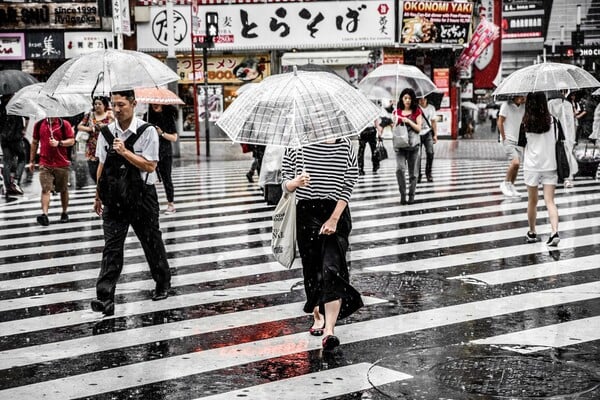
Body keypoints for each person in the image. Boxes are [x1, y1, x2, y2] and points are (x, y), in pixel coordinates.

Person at [91, 90, 172, 316]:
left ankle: (162, 282)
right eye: (114, 105)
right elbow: (102, 165)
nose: (117, 110)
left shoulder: (147, 132)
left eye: (121, 105)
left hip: (142, 197)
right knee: (112, 248)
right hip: (115, 199)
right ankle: (105, 297)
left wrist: (125, 152)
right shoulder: (106, 133)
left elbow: (150, 166)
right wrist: (98, 195)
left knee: (151, 242)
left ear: (133, 104)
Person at [281, 137, 363, 351]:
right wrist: (295, 183)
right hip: (306, 214)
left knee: (332, 269)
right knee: (313, 270)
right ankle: (317, 314)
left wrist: (334, 219)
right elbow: (285, 183)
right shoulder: (296, 145)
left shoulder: (345, 146)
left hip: (336, 212)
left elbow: (348, 184)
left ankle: (330, 331)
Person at [521, 92, 560, 247]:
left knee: (532, 201)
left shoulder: (525, 123)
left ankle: (532, 232)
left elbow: (521, 145)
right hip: (550, 164)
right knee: (550, 201)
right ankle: (554, 231)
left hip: (531, 166)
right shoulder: (554, 122)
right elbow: (559, 141)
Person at [28, 117, 75, 225]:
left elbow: (71, 140)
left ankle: (64, 212)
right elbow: (34, 142)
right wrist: (31, 160)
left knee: (63, 189)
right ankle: (45, 215)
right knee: (45, 189)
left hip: (61, 163)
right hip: (45, 163)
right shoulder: (39, 124)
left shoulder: (64, 124)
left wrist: (59, 143)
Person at [145, 103, 178, 214]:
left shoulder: (168, 116)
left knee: (166, 178)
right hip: (150, 152)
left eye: (157, 103)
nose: (155, 105)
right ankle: (151, 204)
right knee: (148, 178)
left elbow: (174, 138)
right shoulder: (147, 116)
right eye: (152, 103)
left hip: (164, 152)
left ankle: (171, 204)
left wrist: (161, 133)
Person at [393, 88, 422, 205]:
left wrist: (409, 121)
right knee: (400, 170)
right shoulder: (397, 111)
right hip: (400, 146)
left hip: (413, 146)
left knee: (413, 173)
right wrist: (395, 120)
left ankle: (411, 195)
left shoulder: (417, 112)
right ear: (401, 99)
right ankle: (403, 194)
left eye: (410, 98)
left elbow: (419, 128)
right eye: (405, 98)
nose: (407, 100)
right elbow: (393, 128)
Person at [77, 96, 114, 183]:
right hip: (92, 149)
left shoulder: (110, 114)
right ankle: (99, 189)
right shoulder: (90, 115)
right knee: (94, 172)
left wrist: (109, 122)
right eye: (95, 104)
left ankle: (105, 192)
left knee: (106, 174)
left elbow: (117, 126)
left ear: (104, 105)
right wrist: (90, 129)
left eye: (99, 104)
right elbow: (80, 126)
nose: (97, 106)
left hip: (106, 147)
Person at [548, 90, 578, 188]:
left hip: (564, 134)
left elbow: (570, 123)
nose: (563, 93)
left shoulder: (567, 104)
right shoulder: (552, 103)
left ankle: (566, 177)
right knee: (558, 154)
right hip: (557, 133)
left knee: (564, 154)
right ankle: (562, 177)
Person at [497, 95, 526, 197]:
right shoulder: (506, 105)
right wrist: (504, 138)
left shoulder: (523, 106)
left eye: (524, 96)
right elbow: (500, 122)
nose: (522, 98)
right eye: (520, 96)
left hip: (518, 139)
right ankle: (505, 184)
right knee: (515, 162)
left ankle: (512, 186)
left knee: (517, 166)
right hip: (508, 139)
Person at [1, 94, 26, 196]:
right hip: (15, 138)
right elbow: (25, 118)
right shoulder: (16, 106)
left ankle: (8, 186)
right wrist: (22, 130)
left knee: (7, 161)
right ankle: (16, 180)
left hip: (4, 138)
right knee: (22, 157)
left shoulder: (1, 107)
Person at [417, 96, 438, 182]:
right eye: (420, 99)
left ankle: (428, 173)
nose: (422, 101)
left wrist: (435, 135)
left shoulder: (431, 108)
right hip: (417, 133)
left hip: (428, 133)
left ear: (427, 99)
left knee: (430, 153)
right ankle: (417, 174)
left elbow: (433, 122)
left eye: (424, 99)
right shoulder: (415, 107)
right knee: (417, 155)